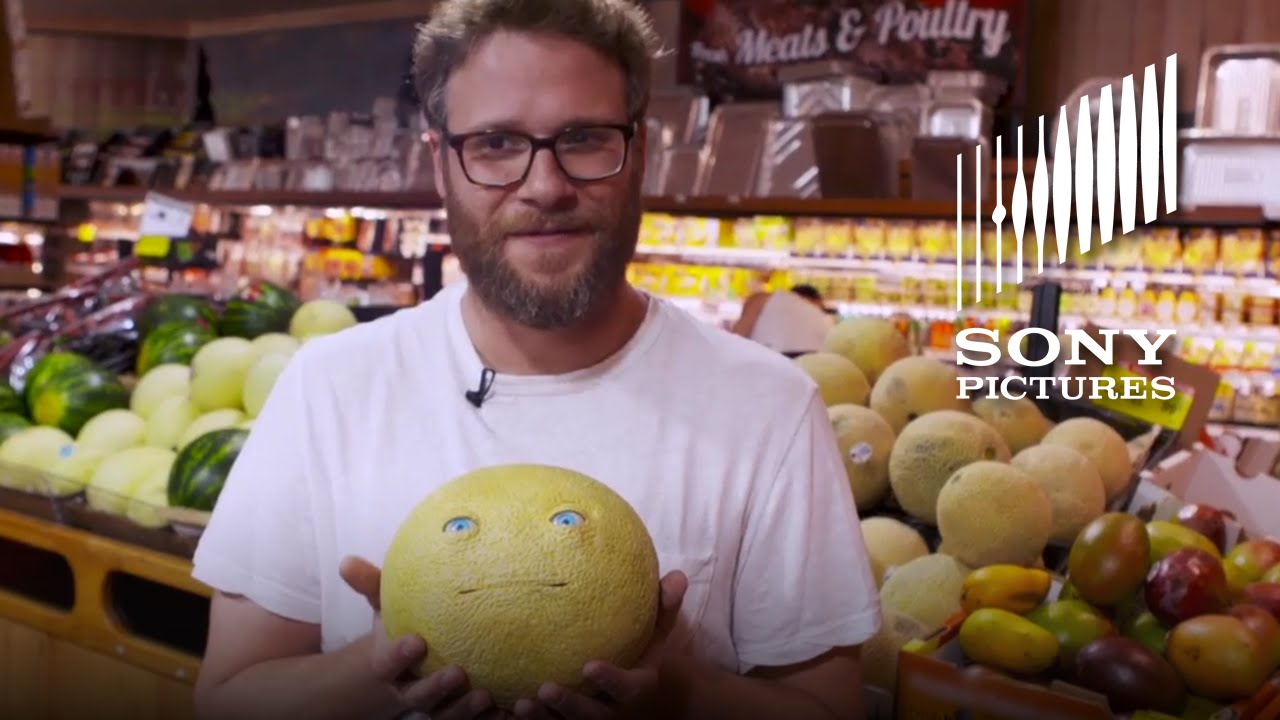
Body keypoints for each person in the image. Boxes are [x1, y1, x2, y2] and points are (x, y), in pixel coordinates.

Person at [188, 0, 881, 718]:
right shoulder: (330, 388)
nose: (545, 186)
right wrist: (374, 668)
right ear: (440, 162)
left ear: (639, 153)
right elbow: (229, 700)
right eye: (495, 143)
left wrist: (677, 691)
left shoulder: (767, 406)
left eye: (583, 139)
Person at [731, 284, 836, 356]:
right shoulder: (824, 320)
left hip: (766, 361)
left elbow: (736, 337)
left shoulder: (762, 298)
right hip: (806, 367)